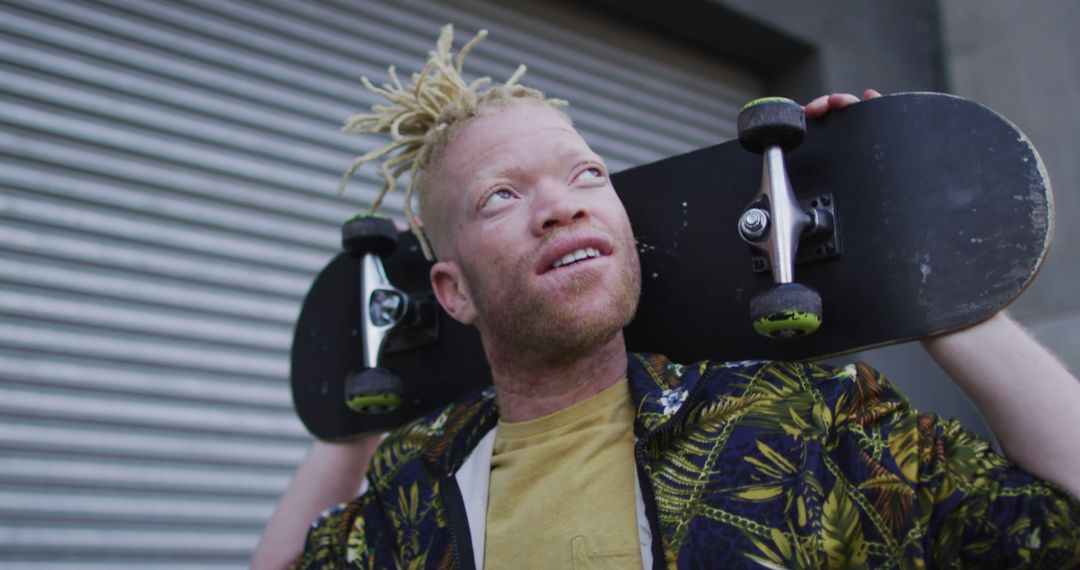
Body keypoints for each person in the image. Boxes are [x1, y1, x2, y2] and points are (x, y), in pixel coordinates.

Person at [253, 26, 1080, 569]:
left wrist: (935, 286)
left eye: (586, 175)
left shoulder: (798, 417)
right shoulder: (418, 476)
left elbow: (1059, 528)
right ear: (452, 291)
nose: (563, 204)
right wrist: (354, 403)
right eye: (501, 196)